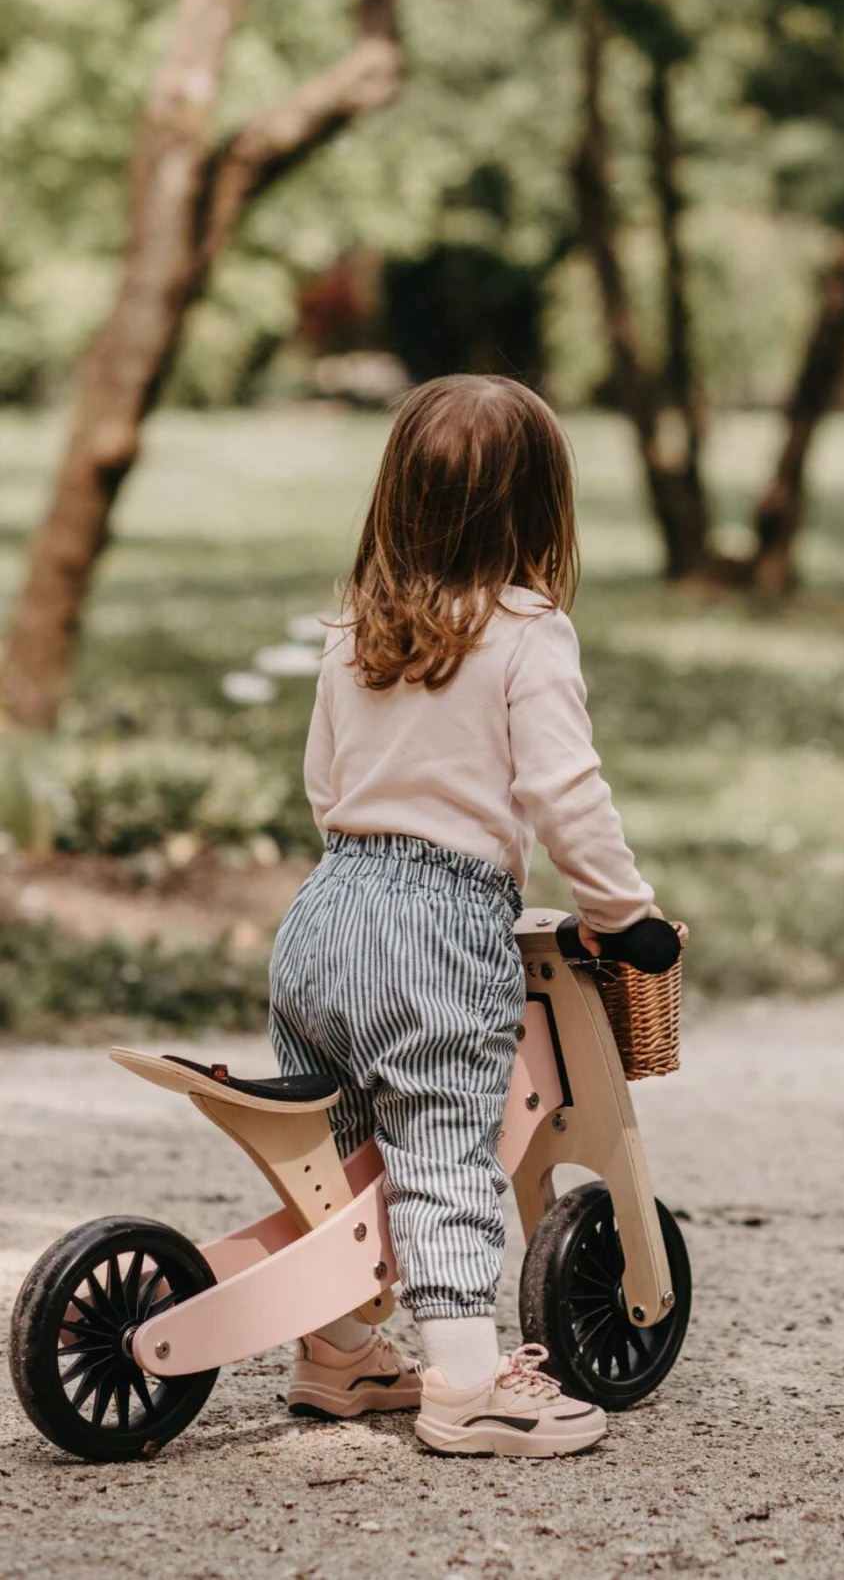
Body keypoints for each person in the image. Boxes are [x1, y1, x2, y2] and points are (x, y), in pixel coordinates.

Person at [268, 375, 663, 1457]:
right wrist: (626, 915)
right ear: (540, 507)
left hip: (326, 909)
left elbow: (323, 781)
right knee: (446, 1142)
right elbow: (564, 793)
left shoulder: (358, 627)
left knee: (346, 1154)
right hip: (435, 929)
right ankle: (465, 1383)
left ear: (397, 496)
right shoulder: (529, 631)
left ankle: (340, 1351)